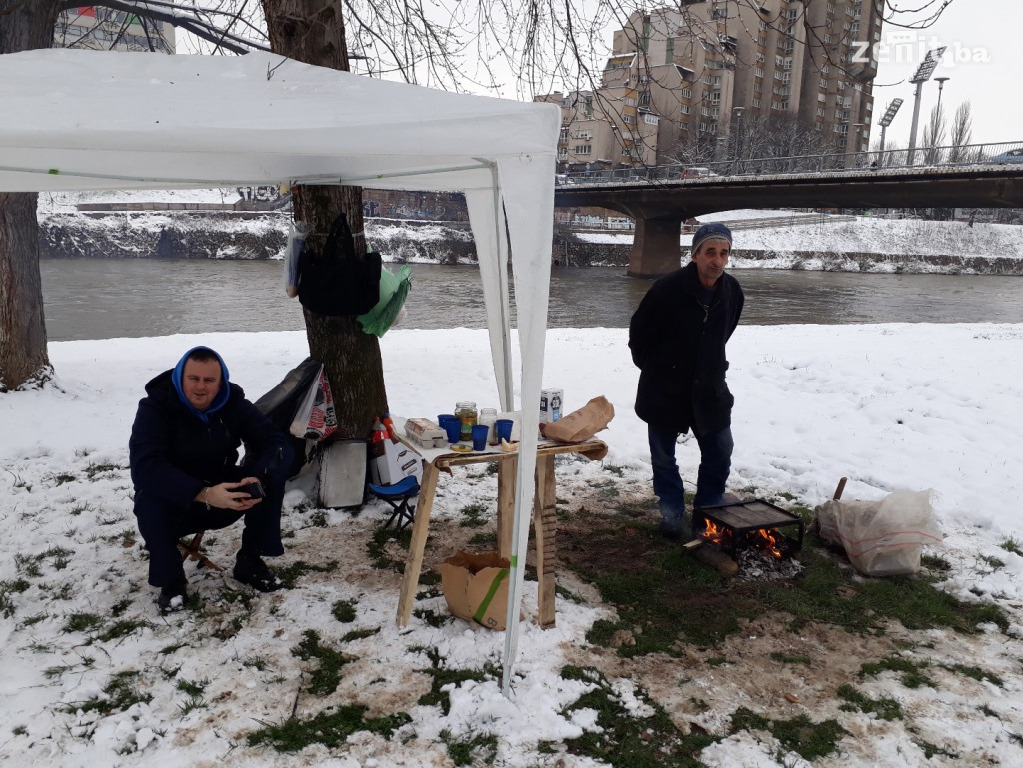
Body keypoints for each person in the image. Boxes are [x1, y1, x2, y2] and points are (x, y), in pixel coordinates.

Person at [129, 346, 294, 611]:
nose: (200, 387)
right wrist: (203, 493)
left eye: (209, 380)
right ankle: (172, 581)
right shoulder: (155, 408)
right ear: (180, 377)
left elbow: (275, 443)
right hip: (176, 501)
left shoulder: (233, 403)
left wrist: (257, 478)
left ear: (221, 383)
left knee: (271, 477)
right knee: (149, 499)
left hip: (224, 493)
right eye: (193, 379)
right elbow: (145, 467)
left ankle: (250, 561)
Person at [628, 222, 745, 541]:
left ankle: (707, 513)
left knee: (720, 450)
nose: (717, 261)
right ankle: (671, 515)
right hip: (665, 389)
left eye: (724, 253)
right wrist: (660, 369)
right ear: (695, 255)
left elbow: (725, 332)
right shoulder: (667, 289)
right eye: (710, 252)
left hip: (710, 389)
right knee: (663, 456)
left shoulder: (732, 291)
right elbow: (639, 336)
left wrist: (708, 365)